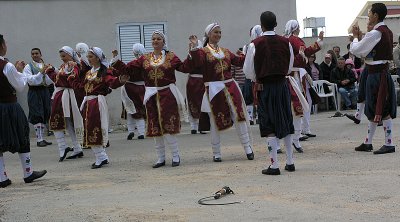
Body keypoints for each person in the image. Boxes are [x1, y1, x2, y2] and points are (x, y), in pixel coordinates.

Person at [113, 30, 189, 168]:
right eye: (153, 39)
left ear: (163, 42)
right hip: (151, 96)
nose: (155, 41)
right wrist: (116, 62)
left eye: (158, 39)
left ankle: (176, 155)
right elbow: (129, 69)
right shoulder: (145, 58)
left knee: (168, 125)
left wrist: (193, 52)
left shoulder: (171, 57)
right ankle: (160, 158)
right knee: (154, 126)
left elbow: (184, 67)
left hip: (167, 94)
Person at [188, 23, 254, 162]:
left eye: (219, 32)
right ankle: (216, 152)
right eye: (215, 32)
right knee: (214, 120)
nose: (218, 34)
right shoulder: (202, 52)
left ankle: (248, 148)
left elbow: (239, 61)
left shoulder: (226, 51)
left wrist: (249, 51)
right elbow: (196, 63)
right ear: (208, 35)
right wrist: (194, 48)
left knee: (239, 117)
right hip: (213, 89)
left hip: (230, 86)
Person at [244, 11, 295, 175]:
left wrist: (257, 78)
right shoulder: (285, 42)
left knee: (269, 123)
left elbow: (248, 71)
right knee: (286, 119)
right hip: (282, 85)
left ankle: (274, 165)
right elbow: (289, 66)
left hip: (265, 86)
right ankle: (290, 162)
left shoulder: (254, 44)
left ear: (261, 24)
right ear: (276, 24)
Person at [66, 47, 129, 168]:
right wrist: (72, 80)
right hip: (88, 103)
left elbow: (112, 82)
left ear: (98, 58)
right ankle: (101, 156)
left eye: (91, 56)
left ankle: (101, 156)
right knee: (89, 128)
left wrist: (120, 80)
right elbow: (81, 87)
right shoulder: (89, 73)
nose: (88, 59)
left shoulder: (104, 72)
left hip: (97, 103)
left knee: (96, 128)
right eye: (88, 56)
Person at [0, 34, 47, 188]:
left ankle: (2, 177)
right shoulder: (7, 66)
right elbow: (19, 86)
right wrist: (19, 71)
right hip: (9, 106)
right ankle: (28, 173)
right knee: (22, 134)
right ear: (1, 46)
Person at [350, 3, 396, 155]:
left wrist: (356, 38)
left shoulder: (376, 33)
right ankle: (368, 142)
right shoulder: (386, 31)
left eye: (370, 13)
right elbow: (369, 51)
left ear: (375, 15)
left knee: (382, 107)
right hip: (379, 72)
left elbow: (356, 50)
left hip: (376, 74)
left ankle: (389, 143)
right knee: (374, 107)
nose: (368, 15)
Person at [284, 19, 323, 150]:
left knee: (295, 104)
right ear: (295, 28)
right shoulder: (295, 40)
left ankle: (298, 132)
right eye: (298, 27)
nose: (300, 29)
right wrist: (318, 43)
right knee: (300, 103)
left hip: (289, 75)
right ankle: (298, 134)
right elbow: (305, 52)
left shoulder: (285, 39)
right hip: (295, 76)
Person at [45, 46, 84, 162]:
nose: (62, 58)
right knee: (68, 122)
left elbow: (63, 80)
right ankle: (77, 148)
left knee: (55, 120)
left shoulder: (73, 66)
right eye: (61, 56)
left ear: (70, 55)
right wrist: (54, 70)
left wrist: (50, 72)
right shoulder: (66, 66)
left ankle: (63, 147)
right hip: (63, 94)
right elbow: (61, 76)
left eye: (64, 55)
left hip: (64, 95)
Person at [113, 44, 147, 140]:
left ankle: (132, 131)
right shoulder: (147, 62)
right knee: (136, 109)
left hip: (131, 88)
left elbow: (124, 70)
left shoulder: (134, 63)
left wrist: (116, 61)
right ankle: (140, 132)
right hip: (142, 88)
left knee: (131, 110)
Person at [22, 48, 53, 147]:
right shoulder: (28, 66)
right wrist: (41, 73)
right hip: (34, 91)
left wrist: (49, 72)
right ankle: (39, 139)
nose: (35, 55)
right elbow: (29, 80)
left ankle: (42, 138)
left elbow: (49, 81)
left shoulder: (45, 66)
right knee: (37, 113)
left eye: (37, 53)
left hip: (44, 91)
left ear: (41, 54)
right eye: (33, 54)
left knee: (44, 112)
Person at [186, 39, 206, 134]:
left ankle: (194, 126)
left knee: (192, 102)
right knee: (200, 103)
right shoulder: (202, 54)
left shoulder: (191, 55)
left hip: (192, 81)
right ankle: (199, 126)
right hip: (200, 81)